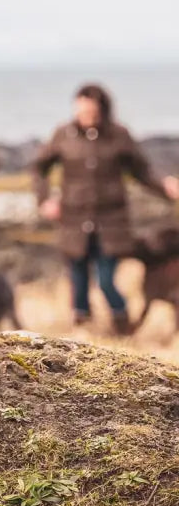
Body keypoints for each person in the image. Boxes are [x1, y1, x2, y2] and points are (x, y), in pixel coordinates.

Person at [34, 83, 178, 335]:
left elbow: (141, 171)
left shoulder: (119, 135)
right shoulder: (63, 135)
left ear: (102, 110)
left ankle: (122, 326)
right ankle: (82, 328)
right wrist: (44, 199)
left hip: (111, 223)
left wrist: (164, 188)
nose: (85, 117)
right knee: (78, 278)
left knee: (106, 279)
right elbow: (39, 168)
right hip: (74, 222)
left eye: (91, 112)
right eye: (81, 111)